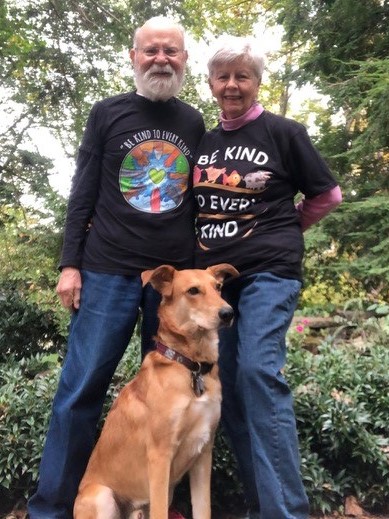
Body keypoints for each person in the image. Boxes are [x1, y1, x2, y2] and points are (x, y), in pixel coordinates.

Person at [28, 16, 205, 519]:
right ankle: (51, 508)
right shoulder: (106, 113)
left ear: (184, 60)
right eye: (151, 50)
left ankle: (159, 503)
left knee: (175, 396)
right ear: (133, 57)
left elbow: (198, 201)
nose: (161, 59)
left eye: (171, 51)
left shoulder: (194, 123)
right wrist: (70, 265)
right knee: (80, 391)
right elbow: (82, 191)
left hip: (171, 284)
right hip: (107, 271)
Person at [193, 36, 342, 519]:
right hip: (219, 285)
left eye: (243, 76)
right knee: (229, 389)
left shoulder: (284, 133)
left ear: (257, 82)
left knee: (258, 371)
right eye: (224, 76)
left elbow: (327, 195)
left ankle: (288, 513)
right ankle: (264, 507)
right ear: (212, 83)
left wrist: (281, 228)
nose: (232, 85)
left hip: (269, 274)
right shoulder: (205, 143)